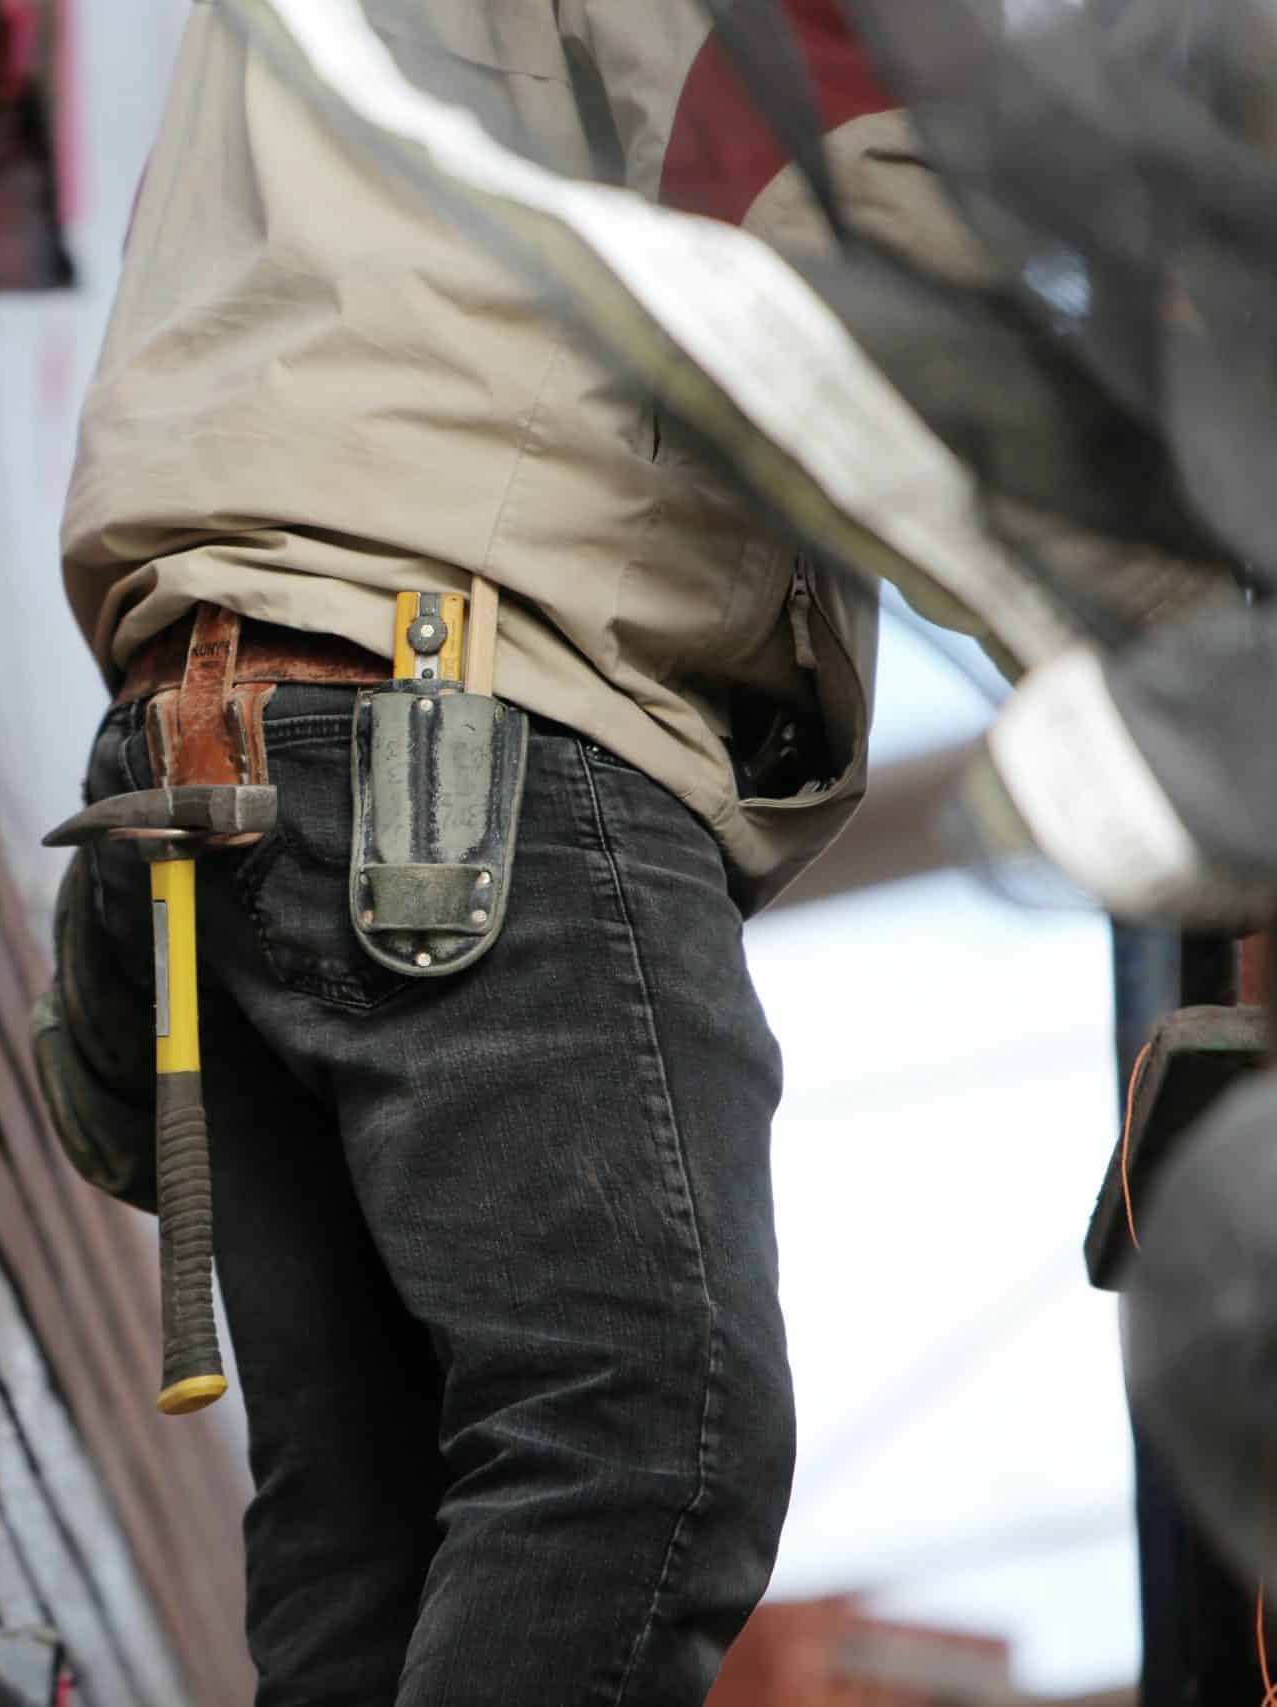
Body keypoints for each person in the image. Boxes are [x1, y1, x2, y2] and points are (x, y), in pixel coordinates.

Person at [48, 3, 984, 1700]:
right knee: (646, 1438)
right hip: (461, 721)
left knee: (372, 1547)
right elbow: (849, 219)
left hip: (233, 722)